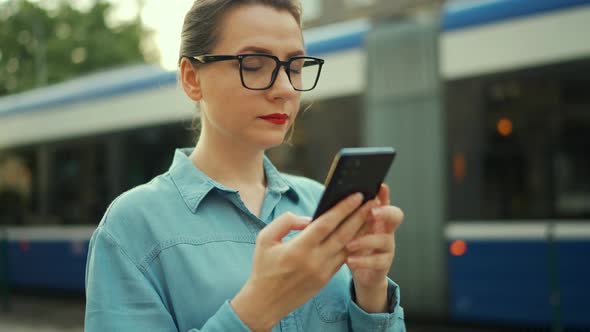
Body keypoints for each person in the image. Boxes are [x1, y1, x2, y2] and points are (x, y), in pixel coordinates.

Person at [84, 0, 406, 331]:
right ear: (192, 78)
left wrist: (371, 290)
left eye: (294, 67)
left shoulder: (319, 204)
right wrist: (257, 307)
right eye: (253, 64)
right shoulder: (132, 226)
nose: (285, 89)